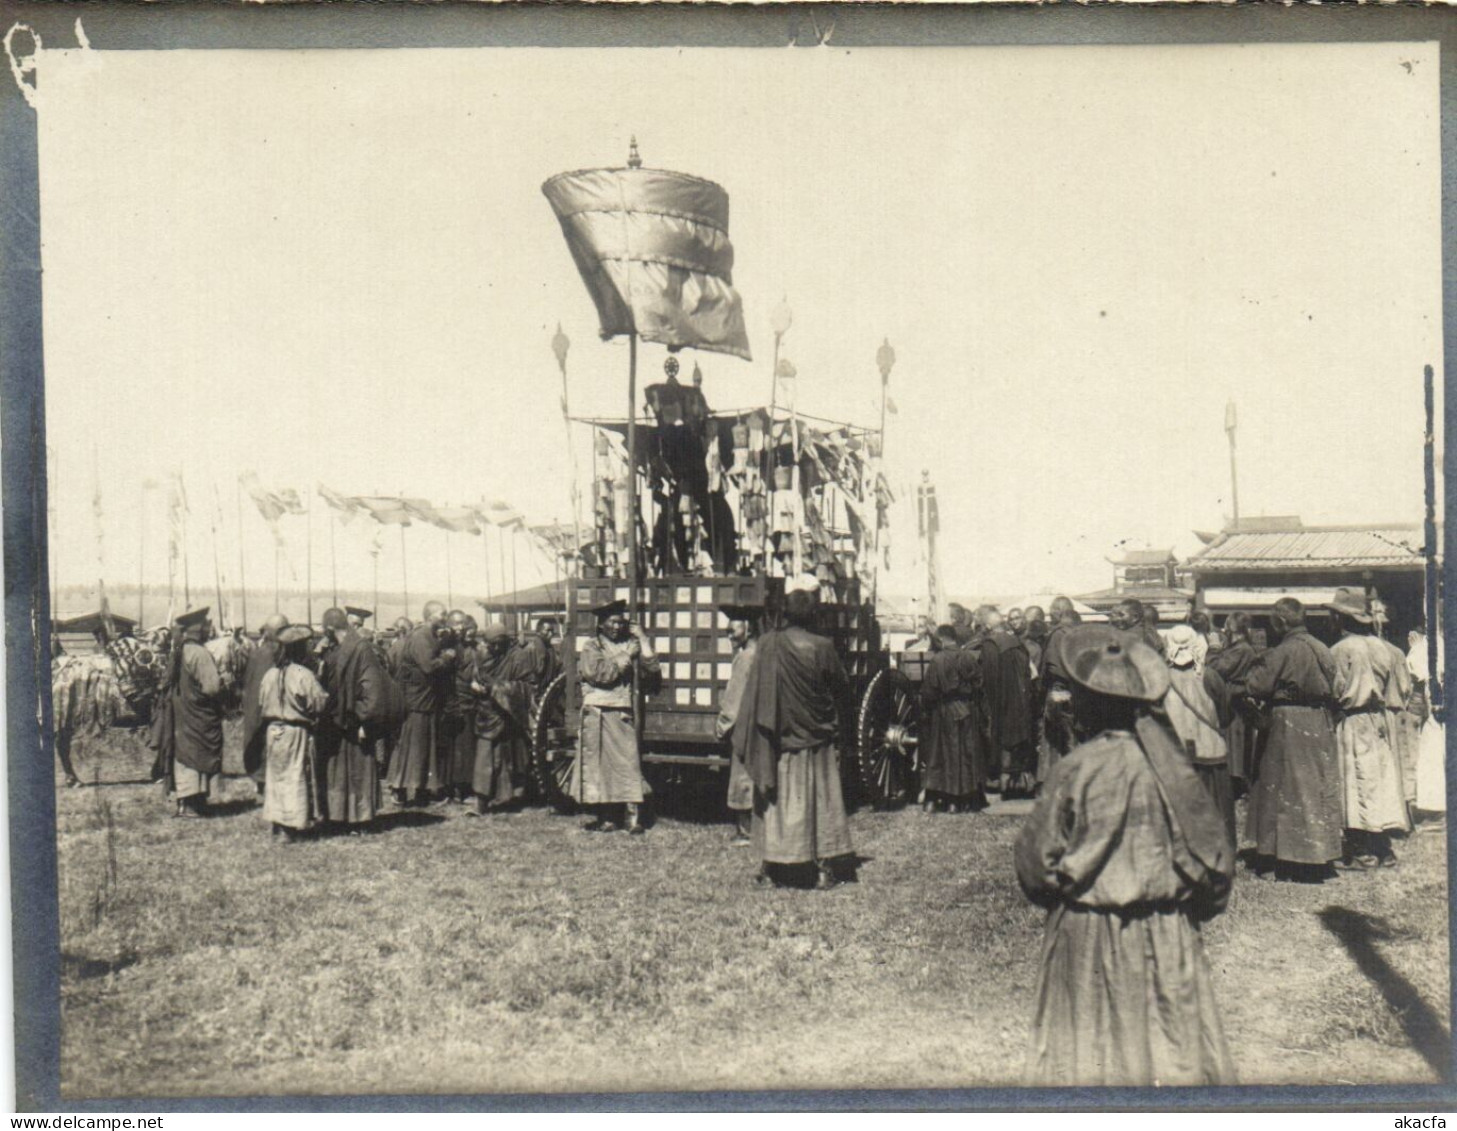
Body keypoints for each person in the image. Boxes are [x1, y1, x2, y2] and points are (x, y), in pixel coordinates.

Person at [1015, 624, 1235, 1086]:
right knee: (1172, 1057)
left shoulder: (1075, 769)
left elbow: (1036, 868)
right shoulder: (1172, 768)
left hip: (1087, 935)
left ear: (1088, 703)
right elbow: (1214, 867)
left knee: (1088, 1061)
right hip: (1167, 937)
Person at [734, 580, 855, 889]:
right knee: (820, 800)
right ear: (813, 615)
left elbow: (756, 693)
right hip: (816, 737)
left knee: (778, 801)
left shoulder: (768, 644)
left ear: (785, 614)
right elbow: (841, 689)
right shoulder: (823, 647)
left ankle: (773, 866)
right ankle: (823, 867)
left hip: (778, 739)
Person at [1236, 597, 1342, 881]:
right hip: (1319, 721)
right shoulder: (1322, 648)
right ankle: (1319, 857)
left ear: (1280, 622)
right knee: (1314, 787)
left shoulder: (1283, 651)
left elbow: (1257, 686)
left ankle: (1281, 858)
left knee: (1279, 788)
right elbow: (1338, 687)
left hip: (1287, 723)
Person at [1328, 589, 1409, 867]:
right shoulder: (1383, 647)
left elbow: (1335, 689)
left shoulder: (1340, 650)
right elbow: (1398, 690)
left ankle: (1362, 851)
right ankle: (1383, 848)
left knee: (1354, 782)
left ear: (1340, 617)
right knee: (1378, 780)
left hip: (1352, 719)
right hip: (1379, 719)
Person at [570, 600, 660, 834]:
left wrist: (642, 638)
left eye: (621, 622)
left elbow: (652, 670)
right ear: (601, 625)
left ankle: (633, 818)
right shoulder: (592, 647)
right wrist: (624, 657)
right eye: (612, 622)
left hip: (621, 712)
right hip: (597, 713)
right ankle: (606, 817)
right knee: (600, 767)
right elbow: (599, 674)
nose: (617, 627)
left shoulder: (632, 644)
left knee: (627, 764)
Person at [1163, 624, 1235, 845]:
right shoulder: (1210, 676)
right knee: (1215, 804)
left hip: (1174, 753)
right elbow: (1225, 714)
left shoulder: (1160, 678)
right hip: (1210, 752)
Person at [317, 607, 386, 833]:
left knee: (359, 771)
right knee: (339, 771)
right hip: (338, 723)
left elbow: (372, 688)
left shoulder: (361, 648)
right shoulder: (338, 648)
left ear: (329, 629)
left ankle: (362, 820)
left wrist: (366, 721)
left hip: (356, 722)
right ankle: (340, 817)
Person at [259, 624, 329, 842]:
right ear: (299, 649)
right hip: (295, 731)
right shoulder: (303, 675)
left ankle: (278, 823)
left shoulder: (270, 674)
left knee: (276, 776)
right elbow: (318, 703)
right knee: (294, 776)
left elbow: (261, 702)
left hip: (273, 731)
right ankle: (291, 827)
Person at [158, 607, 226, 818]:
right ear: (198, 629)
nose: (208, 629)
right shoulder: (199, 653)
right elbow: (212, 688)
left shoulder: (180, 651)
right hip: (198, 714)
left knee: (184, 754)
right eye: (206, 625)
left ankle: (189, 801)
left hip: (182, 714)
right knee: (196, 753)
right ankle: (191, 805)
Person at [386, 602, 456, 805]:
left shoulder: (428, 636)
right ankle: (400, 789)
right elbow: (429, 666)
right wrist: (446, 657)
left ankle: (417, 790)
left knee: (420, 747)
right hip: (417, 701)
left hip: (424, 700)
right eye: (442, 614)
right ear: (430, 615)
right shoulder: (421, 637)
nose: (445, 618)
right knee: (413, 747)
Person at [919, 624, 987, 812]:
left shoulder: (938, 660)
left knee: (941, 754)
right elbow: (979, 684)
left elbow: (929, 691)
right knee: (967, 753)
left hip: (945, 711)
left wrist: (927, 710)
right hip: (967, 709)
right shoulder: (968, 657)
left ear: (940, 639)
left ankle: (941, 800)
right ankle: (965, 799)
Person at [468, 621, 533, 814]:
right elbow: (476, 676)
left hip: (511, 714)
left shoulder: (518, 657)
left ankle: (513, 795)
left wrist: (497, 688)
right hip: (487, 713)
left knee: (512, 756)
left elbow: (527, 686)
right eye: (491, 644)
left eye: (500, 643)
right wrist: (475, 686)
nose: (495, 648)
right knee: (485, 757)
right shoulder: (481, 655)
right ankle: (481, 802)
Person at [976, 606, 1035, 795]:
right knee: (1018, 737)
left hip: (1002, 700)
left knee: (1002, 737)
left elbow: (989, 679)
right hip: (1021, 699)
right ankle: (1020, 780)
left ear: (987, 626)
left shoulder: (991, 644)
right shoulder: (1016, 642)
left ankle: (1003, 780)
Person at [716, 604, 761, 844]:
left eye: (733, 630)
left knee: (742, 776)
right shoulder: (763, 653)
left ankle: (746, 832)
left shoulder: (744, 658)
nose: (730, 635)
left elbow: (734, 698)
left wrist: (722, 726)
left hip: (745, 726)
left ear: (749, 628)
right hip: (761, 725)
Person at [1207, 612, 1261, 794]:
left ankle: (1236, 786)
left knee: (1234, 743)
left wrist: (1214, 648)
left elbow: (1217, 669)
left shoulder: (1241, 649)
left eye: (1226, 626)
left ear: (1232, 628)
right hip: (1231, 698)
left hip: (1233, 699)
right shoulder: (1238, 647)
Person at [240, 613, 289, 802]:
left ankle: (261, 784)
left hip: (254, 706)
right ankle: (265, 785)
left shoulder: (258, 652)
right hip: (266, 707)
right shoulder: (275, 654)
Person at [1036, 598, 1081, 787]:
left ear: (1058, 612)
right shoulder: (1081, 633)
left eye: (1052, 610)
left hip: (1058, 690)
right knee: (1072, 736)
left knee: (1054, 736)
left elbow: (1051, 667)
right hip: (1077, 691)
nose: (1049, 613)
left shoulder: (1057, 635)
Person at [441, 610, 479, 803]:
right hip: (453, 701)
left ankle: (462, 787)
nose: (460, 627)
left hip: (469, 702)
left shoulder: (469, 647)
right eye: (456, 623)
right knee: (454, 749)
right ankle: (453, 789)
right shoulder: (447, 646)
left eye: (462, 623)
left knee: (465, 747)